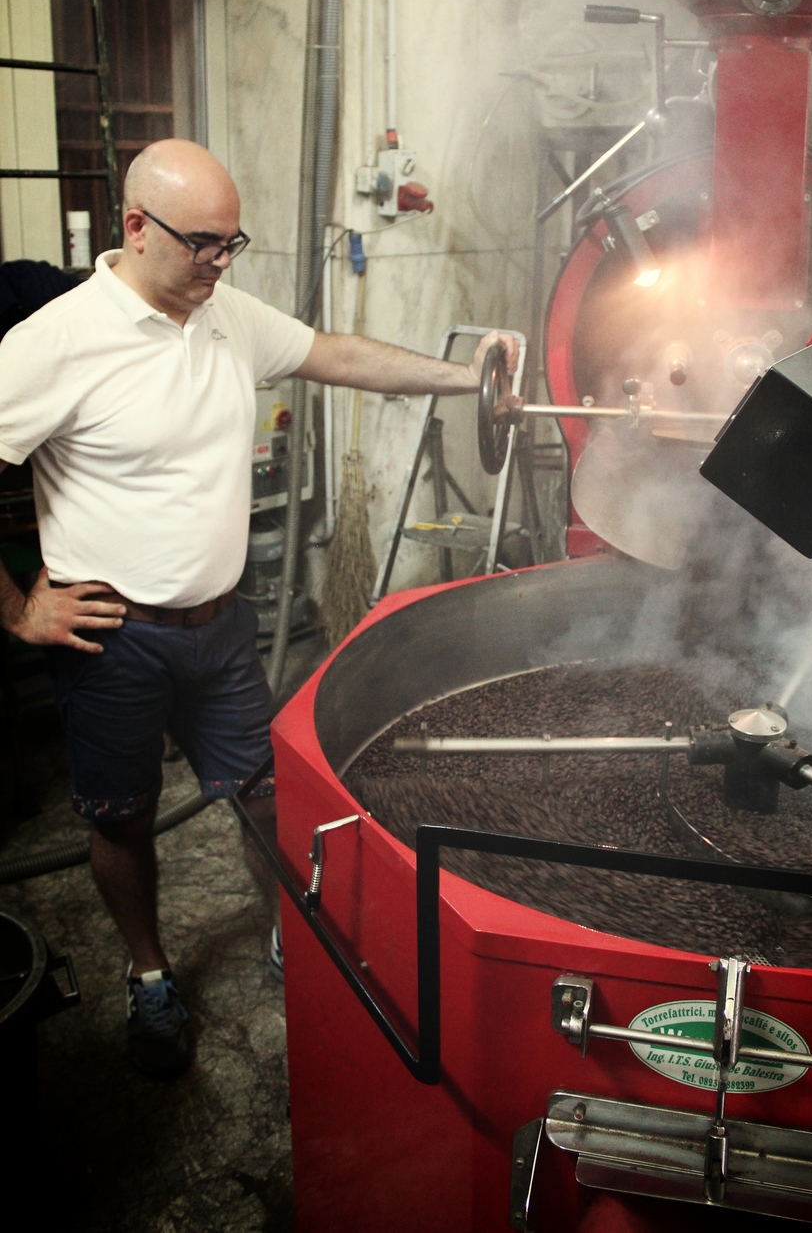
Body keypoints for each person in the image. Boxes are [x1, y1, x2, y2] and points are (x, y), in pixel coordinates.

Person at [0, 139, 517, 1077]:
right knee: (120, 819)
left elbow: (337, 354)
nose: (220, 262)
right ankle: (150, 973)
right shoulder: (54, 341)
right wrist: (16, 610)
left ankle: (295, 936)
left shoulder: (223, 312)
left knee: (267, 795)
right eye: (202, 244)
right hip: (114, 641)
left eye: (230, 243)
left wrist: (466, 377)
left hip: (221, 629)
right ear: (134, 227)